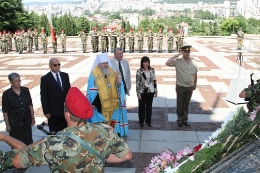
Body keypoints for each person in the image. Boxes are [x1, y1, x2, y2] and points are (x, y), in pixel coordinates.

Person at [9, 87, 132, 172]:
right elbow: (126, 156)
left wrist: (41, 142)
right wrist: (101, 154)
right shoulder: (106, 131)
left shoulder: (53, 143)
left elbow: (17, 161)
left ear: (66, 114)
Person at [87, 53, 129, 137]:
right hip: (99, 104)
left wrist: (118, 83)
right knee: (100, 124)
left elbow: (117, 87)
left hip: (113, 104)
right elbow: (91, 90)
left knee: (113, 120)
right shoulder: (94, 74)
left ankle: (113, 134)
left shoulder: (112, 73)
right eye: (103, 63)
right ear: (99, 64)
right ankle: (100, 135)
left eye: (106, 63)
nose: (105, 65)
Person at [165, 45, 197, 127]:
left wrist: (195, 83)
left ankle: (185, 120)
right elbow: (167, 63)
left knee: (186, 104)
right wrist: (175, 56)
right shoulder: (178, 61)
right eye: (185, 51)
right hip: (181, 86)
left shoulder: (194, 61)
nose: (187, 53)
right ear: (182, 52)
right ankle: (179, 120)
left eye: (188, 51)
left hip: (190, 86)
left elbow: (195, 73)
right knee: (180, 104)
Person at [2, 73, 35, 145]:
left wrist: (32, 118)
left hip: (26, 122)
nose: (18, 82)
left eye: (19, 80)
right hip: (15, 124)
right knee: (17, 144)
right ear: (11, 82)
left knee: (29, 142)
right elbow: (5, 111)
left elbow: (30, 105)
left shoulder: (25, 90)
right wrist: (7, 125)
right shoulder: (6, 94)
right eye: (15, 81)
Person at [40, 58, 71, 132]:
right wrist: (46, 112)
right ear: (50, 66)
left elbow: (69, 92)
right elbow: (44, 96)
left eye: (59, 64)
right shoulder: (45, 79)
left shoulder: (65, 76)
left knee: (64, 131)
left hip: (64, 110)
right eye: (55, 65)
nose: (57, 67)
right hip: (53, 112)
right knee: (54, 132)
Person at [136, 56, 157, 127]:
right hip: (142, 91)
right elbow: (137, 83)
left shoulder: (152, 70)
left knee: (149, 107)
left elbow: (154, 81)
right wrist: (138, 94)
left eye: (147, 62)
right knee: (141, 107)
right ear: (142, 63)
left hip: (150, 91)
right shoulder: (139, 71)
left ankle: (148, 121)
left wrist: (155, 91)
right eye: (144, 62)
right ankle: (141, 121)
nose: (146, 63)